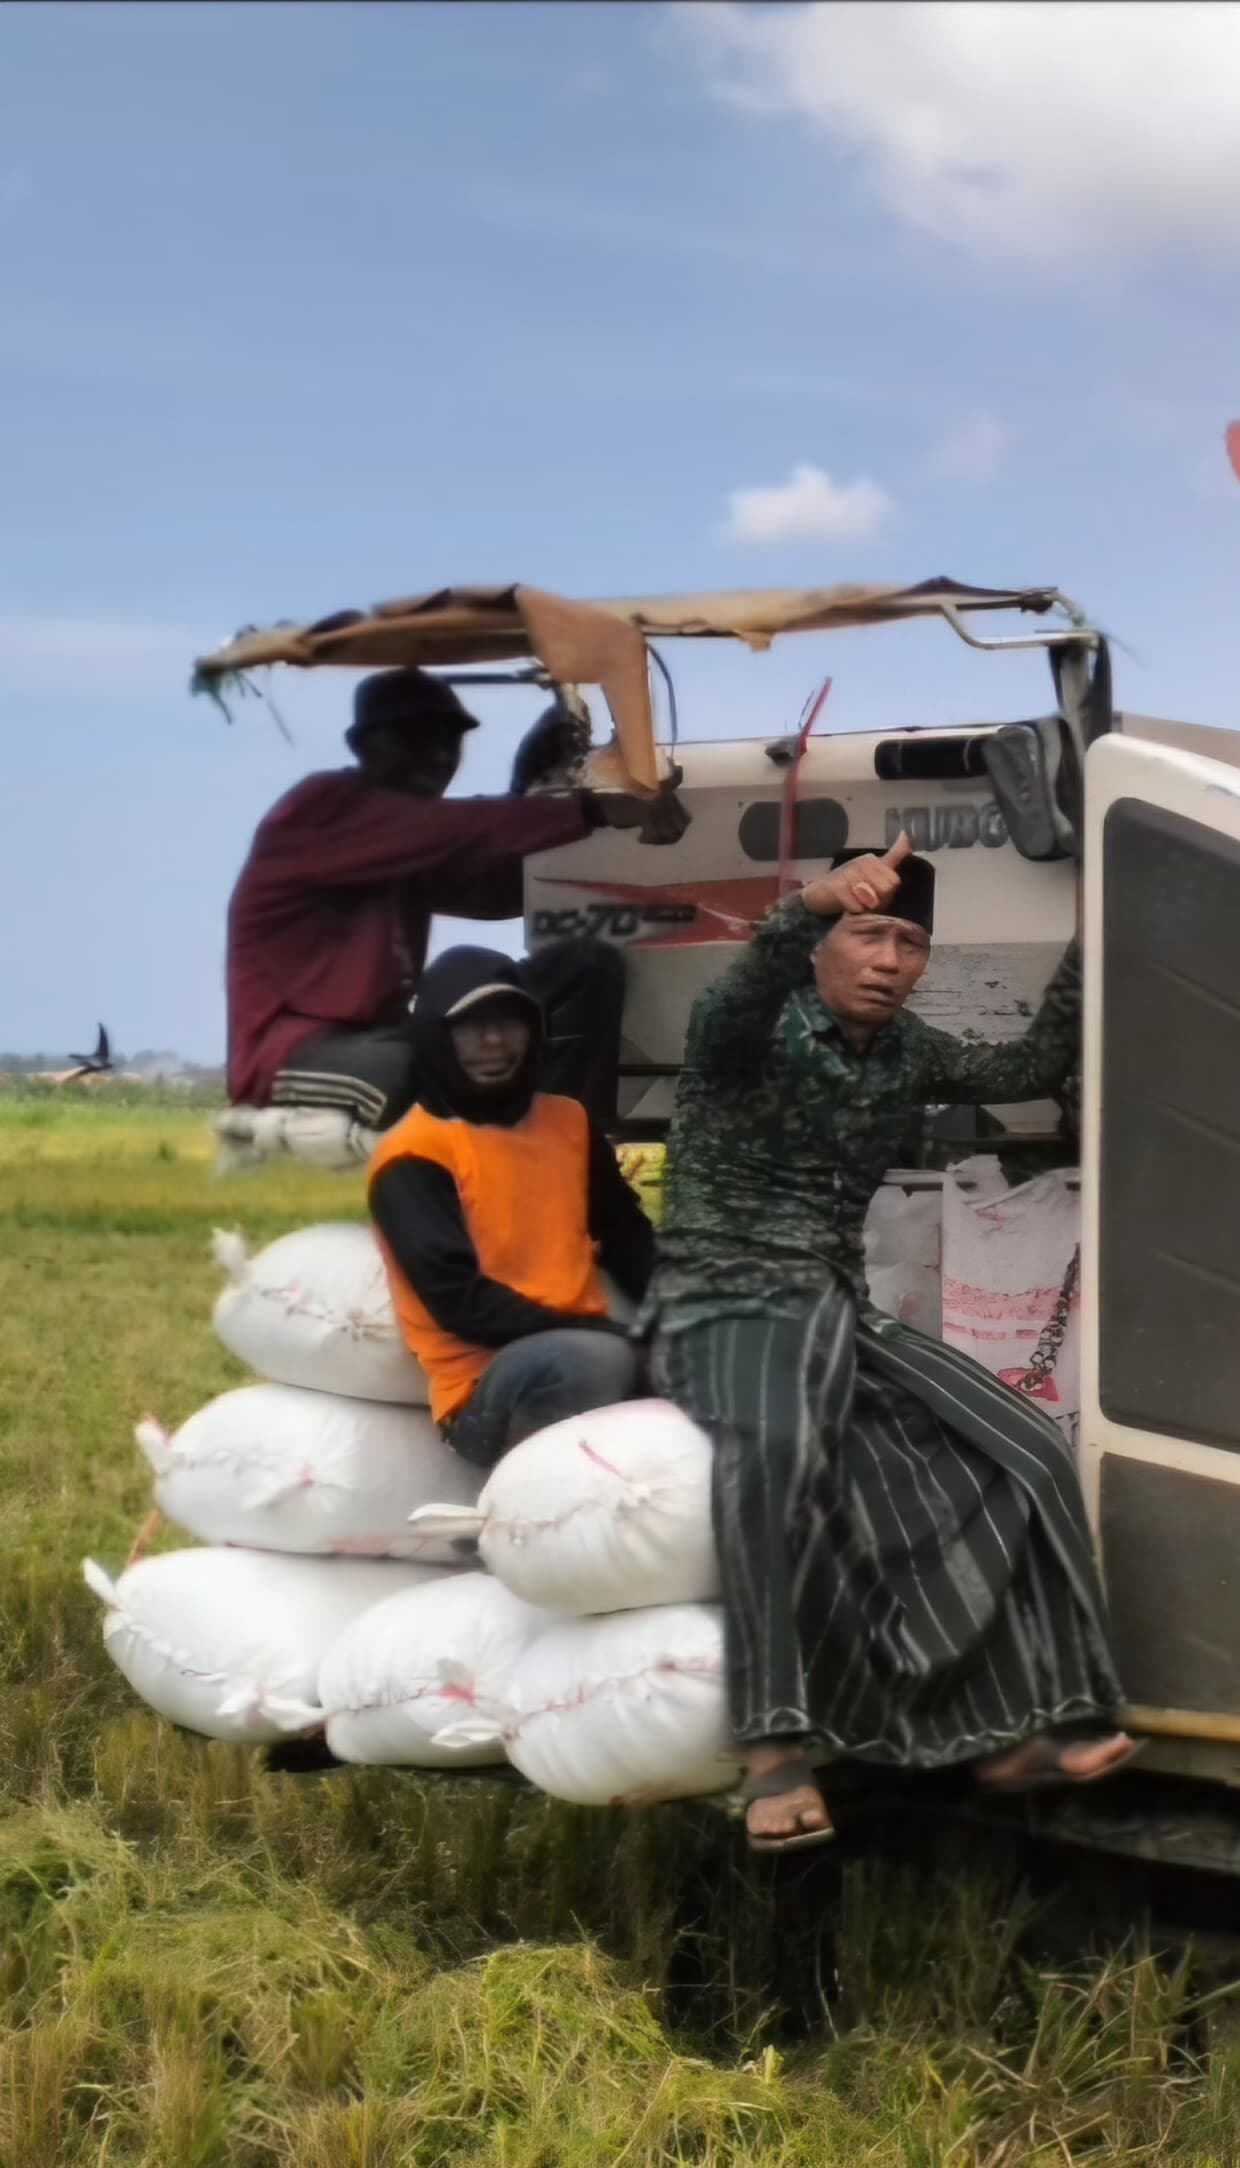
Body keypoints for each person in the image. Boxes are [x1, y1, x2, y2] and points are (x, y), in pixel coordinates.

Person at [644, 834, 1129, 1853]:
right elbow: (742, 985)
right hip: (719, 1297)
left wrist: (1098, 928)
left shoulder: (909, 1051)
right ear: (823, 942)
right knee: (774, 1451)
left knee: (1025, 1444)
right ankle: (775, 1746)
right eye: (868, 933)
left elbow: (1032, 1064)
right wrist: (806, 900)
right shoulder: (748, 1027)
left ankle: (1027, 1718)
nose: (890, 960)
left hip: (834, 1306)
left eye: (911, 942)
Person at [228, 668, 651, 1134]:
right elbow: (460, 829)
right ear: (361, 745)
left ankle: (570, 1139)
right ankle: (501, 1139)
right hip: (296, 1052)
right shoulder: (322, 808)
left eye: (449, 741)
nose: (437, 755)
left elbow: (497, 890)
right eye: (414, 737)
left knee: (583, 968)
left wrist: (537, 790)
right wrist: (591, 808)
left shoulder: (406, 843)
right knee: (409, 1064)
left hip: (388, 1033)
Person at [365, 947, 656, 1467]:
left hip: (587, 1343)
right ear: (435, 1035)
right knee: (592, 1359)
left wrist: (687, 1313)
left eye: (509, 1023)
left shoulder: (567, 1122)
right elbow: (462, 1305)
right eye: (470, 1027)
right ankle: (525, 1509)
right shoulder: (414, 1154)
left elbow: (626, 1237)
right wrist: (610, 1335)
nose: (494, 1041)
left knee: (707, 1352)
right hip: (482, 1390)